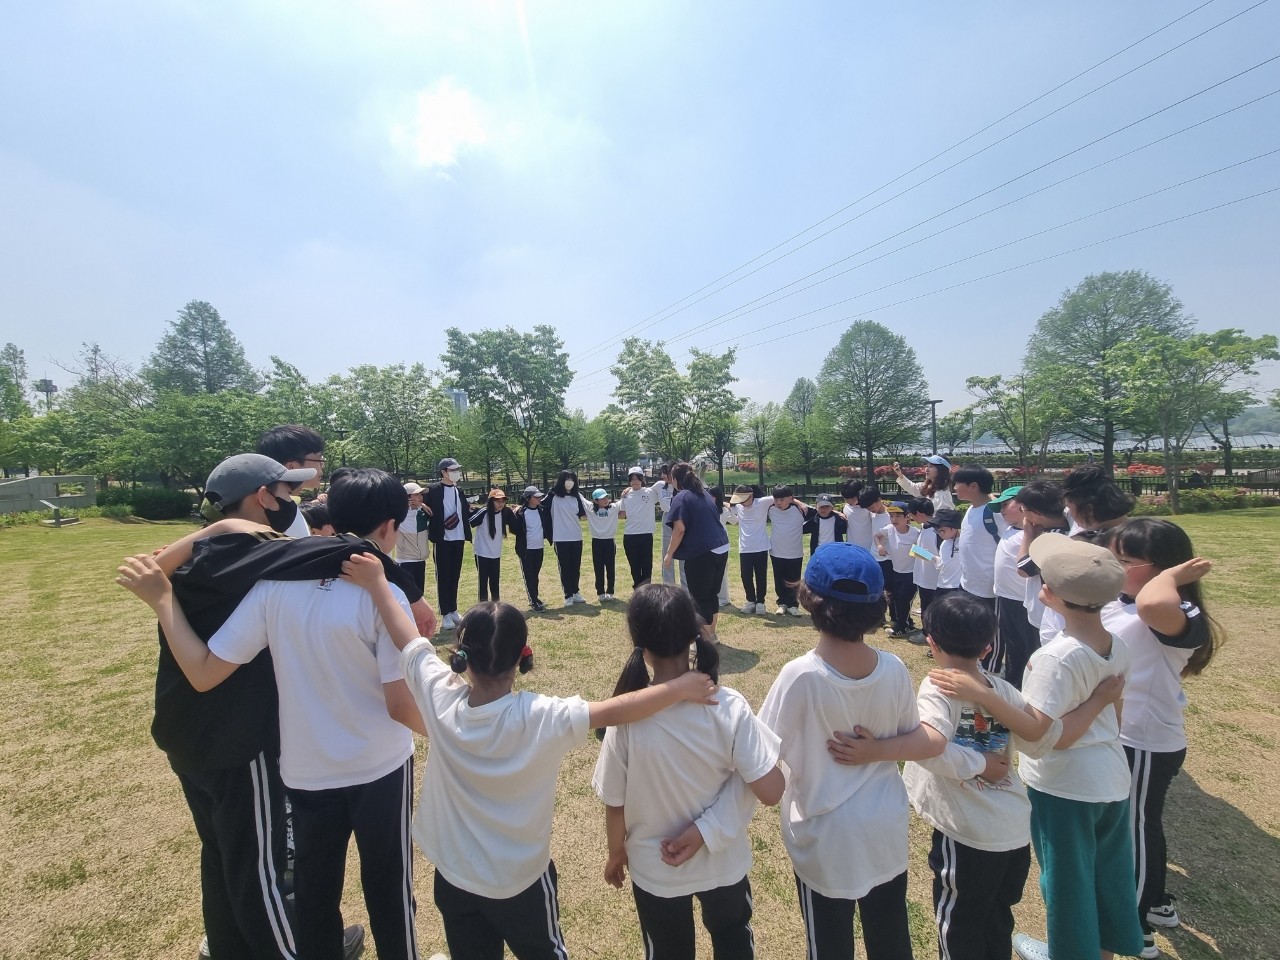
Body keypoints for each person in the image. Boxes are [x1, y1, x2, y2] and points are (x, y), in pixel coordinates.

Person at [118, 467, 430, 960]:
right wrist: (453, 733)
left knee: (314, 894)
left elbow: (203, 673)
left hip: (305, 771)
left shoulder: (270, 586)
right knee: (389, 887)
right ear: (391, 526)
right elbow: (399, 703)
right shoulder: (382, 593)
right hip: (379, 766)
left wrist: (162, 601)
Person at [339, 558, 718, 960]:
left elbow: (407, 638)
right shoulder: (539, 716)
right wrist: (679, 688)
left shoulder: (438, 695)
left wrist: (378, 582)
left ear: (461, 653)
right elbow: (616, 711)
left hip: (454, 877)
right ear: (523, 655)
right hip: (521, 881)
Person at [843, 593, 1122, 960]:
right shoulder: (1004, 691)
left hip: (968, 834)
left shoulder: (938, 686)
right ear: (988, 647)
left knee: (960, 928)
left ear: (931, 643)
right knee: (996, 921)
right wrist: (1097, 702)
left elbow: (930, 746)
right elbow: (1040, 740)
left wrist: (878, 749)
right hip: (1013, 832)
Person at [943, 535, 1144, 960]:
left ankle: (1070, 952)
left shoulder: (1055, 658)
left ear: (1050, 593)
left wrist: (983, 694)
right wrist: (1098, 703)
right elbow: (1116, 715)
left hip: (1067, 785)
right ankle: (1102, 951)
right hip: (1111, 776)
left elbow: (1043, 733)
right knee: (1106, 874)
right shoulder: (1117, 645)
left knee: (1067, 880)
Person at [592, 584, 785, 959]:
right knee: (733, 940)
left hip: (655, 867)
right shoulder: (728, 705)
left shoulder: (627, 717)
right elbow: (772, 790)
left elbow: (614, 802)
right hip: (723, 864)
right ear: (693, 635)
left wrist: (616, 853)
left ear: (640, 645)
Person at [759, 543, 921, 960]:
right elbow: (915, 737)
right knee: (891, 937)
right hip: (884, 828)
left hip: (825, 836)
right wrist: (878, 750)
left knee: (828, 944)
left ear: (808, 601)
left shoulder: (800, 675)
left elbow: (759, 753)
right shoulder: (894, 668)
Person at [1106, 519, 1222, 959]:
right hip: (1129, 735)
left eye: (1125, 561)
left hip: (1144, 740)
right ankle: (1154, 902)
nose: (1115, 568)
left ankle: (1132, 929)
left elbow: (1153, 603)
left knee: (1133, 830)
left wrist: (1172, 576)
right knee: (1141, 824)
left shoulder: (1175, 610)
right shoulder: (1126, 601)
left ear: (1163, 568)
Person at [664, 462, 731, 643]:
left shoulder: (681, 497)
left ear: (675, 480)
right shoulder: (704, 494)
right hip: (721, 547)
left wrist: (669, 554)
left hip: (703, 551)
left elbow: (679, 529)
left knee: (700, 597)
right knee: (711, 595)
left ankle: (703, 640)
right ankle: (711, 635)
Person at [425, 458, 478, 631]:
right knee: (443, 575)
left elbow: (466, 510)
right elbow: (416, 500)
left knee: (455, 574)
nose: (456, 473)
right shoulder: (432, 489)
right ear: (444, 472)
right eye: (453, 470)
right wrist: (423, 505)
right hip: (443, 538)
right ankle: (445, 613)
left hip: (458, 537)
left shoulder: (458, 490)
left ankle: (453, 609)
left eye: (457, 470)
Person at [989, 485, 1034, 687]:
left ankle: (1026, 684)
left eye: (1006, 504)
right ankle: (1013, 681)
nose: (1002, 510)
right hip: (1006, 597)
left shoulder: (1033, 532)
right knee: (1013, 643)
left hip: (1024, 600)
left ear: (1023, 504)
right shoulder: (1008, 528)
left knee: (1029, 644)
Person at [257, 424, 327, 539]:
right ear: (291, 467)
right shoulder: (280, 514)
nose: (322, 465)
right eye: (319, 459)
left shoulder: (284, 506)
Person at [952, 466, 1003, 614]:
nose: (954, 487)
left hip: (987, 588)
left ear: (973, 486)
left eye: (957, 483)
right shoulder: (971, 508)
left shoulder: (995, 513)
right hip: (967, 583)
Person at [544, 469, 590, 607]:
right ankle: (568, 594)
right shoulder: (553, 496)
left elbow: (583, 514)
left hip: (576, 536)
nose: (569, 482)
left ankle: (575, 592)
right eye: (566, 478)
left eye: (572, 479)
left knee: (575, 566)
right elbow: (539, 505)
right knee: (564, 566)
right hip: (560, 537)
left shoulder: (577, 497)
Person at [875, 502, 919, 639]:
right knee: (894, 598)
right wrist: (880, 546)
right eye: (891, 516)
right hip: (895, 571)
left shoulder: (915, 533)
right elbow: (877, 536)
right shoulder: (889, 529)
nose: (894, 519)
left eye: (898, 516)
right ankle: (905, 624)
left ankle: (903, 627)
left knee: (903, 601)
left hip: (911, 574)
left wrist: (917, 553)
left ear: (907, 517)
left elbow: (924, 553)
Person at [728, 484, 772, 615]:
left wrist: (800, 504)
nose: (741, 503)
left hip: (761, 547)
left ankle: (760, 602)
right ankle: (750, 600)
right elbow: (727, 505)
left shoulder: (762, 503)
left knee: (761, 576)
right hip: (745, 548)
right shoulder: (739, 507)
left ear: (751, 496)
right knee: (745, 575)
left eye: (743, 500)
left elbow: (782, 496)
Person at [767, 485, 809, 617]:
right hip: (776, 551)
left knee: (793, 580)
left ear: (790, 498)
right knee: (779, 579)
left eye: (782, 500)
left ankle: (793, 605)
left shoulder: (801, 510)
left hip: (794, 552)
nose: (778, 503)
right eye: (776, 500)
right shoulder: (770, 508)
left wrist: (797, 502)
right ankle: (782, 604)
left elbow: (823, 511)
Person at [1061, 464, 1135, 536]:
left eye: (1069, 508)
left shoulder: (1093, 541)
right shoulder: (1138, 531)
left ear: (1089, 510)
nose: (1069, 513)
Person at [619, 466, 662, 588]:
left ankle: (647, 589)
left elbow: (663, 488)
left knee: (647, 564)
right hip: (630, 534)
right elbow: (622, 514)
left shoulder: (650, 493)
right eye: (632, 479)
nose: (635, 481)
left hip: (646, 534)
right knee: (634, 565)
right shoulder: (626, 495)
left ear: (642, 479)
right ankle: (638, 588)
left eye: (637, 478)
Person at [470, 488, 514, 602]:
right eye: (497, 501)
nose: (501, 504)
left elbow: (515, 522)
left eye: (503, 501)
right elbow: (470, 521)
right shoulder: (483, 512)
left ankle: (496, 604)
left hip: (496, 553)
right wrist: (471, 509)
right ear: (491, 501)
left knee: (495, 580)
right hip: (482, 552)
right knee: (483, 581)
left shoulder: (505, 513)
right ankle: (483, 605)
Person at [510, 485, 548, 612]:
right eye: (536, 497)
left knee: (535, 575)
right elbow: (514, 529)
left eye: (540, 496)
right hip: (526, 549)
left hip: (539, 547)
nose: (539, 499)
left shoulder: (541, 510)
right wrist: (515, 511)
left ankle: (535, 597)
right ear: (528, 498)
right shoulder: (521, 512)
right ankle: (533, 600)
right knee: (529, 576)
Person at [906, 497, 938, 644]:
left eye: (911, 514)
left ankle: (932, 635)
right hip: (924, 577)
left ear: (918, 513)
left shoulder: (936, 531)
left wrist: (915, 551)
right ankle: (927, 633)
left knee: (932, 609)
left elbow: (937, 557)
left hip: (933, 579)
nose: (911, 517)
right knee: (926, 607)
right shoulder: (924, 528)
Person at [587, 488, 622, 601]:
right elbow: (581, 498)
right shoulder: (591, 509)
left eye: (606, 497)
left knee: (610, 568)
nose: (606, 500)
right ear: (596, 501)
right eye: (602, 498)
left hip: (609, 541)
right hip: (596, 541)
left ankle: (610, 591)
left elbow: (624, 500)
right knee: (598, 568)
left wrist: (627, 491)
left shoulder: (613, 508)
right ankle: (600, 592)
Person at [396, 481, 431, 594]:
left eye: (420, 494)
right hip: (406, 561)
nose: (420, 497)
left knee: (420, 593)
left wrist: (422, 505)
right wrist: (403, 505)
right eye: (416, 494)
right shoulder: (399, 514)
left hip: (421, 560)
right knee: (408, 595)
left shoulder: (422, 512)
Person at [843, 481, 889, 552]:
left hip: (870, 549)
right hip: (852, 548)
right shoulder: (846, 507)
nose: (850, 502)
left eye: (853, 499)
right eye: (846, 499)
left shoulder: (869, 508)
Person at [930, 508, 964, 596]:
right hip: (942, 584)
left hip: (957, 586)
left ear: (954, 528)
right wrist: (932, 557)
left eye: (943, 531)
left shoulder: (964, 542)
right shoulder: (944, 543)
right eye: (937, 531)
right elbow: (943, 563)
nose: (940, 534)